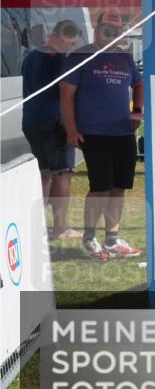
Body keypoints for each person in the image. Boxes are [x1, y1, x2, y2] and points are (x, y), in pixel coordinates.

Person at [60, 11, 143, 260]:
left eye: (116, 32)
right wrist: (71, 130)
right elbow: (66, 96)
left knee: (119, 187)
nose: (111, 35)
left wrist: (137, 111)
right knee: (100, 188)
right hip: (93, 133)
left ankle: (112, 240)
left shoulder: (124, 58)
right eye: (107, 29)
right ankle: (89, 238)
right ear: (96, 29)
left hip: (123, 132)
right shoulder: (79, 57)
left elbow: (139, 84)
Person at [21, 19, 83, 240]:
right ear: (63, 36)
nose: (72, 47)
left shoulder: (30, 57)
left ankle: (36, 225)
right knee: (62, 174)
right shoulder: (58, 59)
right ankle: (60, 228)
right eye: (72, 43)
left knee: (44, 174)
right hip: (52, 121)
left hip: (30, 120)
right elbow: (66, 91)